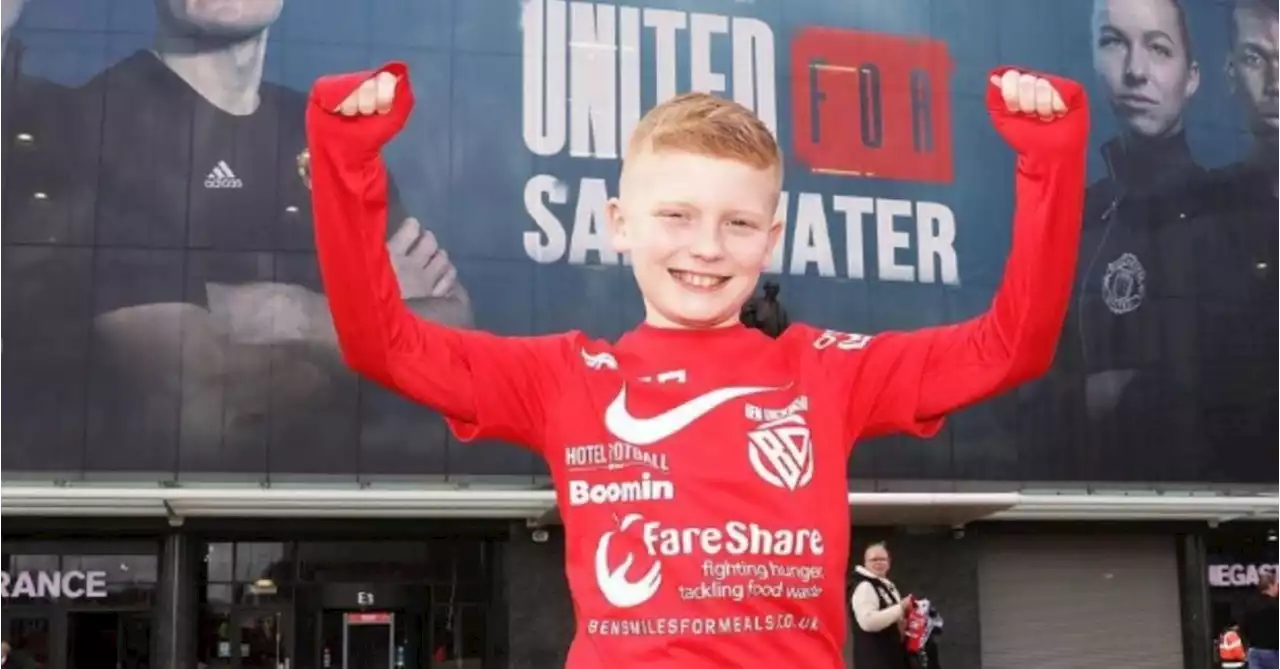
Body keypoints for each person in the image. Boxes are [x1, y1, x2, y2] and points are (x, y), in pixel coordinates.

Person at [306, 61, 1086, 667]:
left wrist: (1047, 162)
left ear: (773, 235)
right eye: (675, 215)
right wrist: (348, 164)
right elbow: (385, 343)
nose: (707, 247)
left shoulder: (828, 371)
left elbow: (1010, 346)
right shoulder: (564, 379)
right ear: (619, 223)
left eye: (739, 222)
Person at [50, 0, 470, 469]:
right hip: (171, 523)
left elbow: (456, 352)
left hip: (351, 520)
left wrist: (294, 313)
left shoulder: (327, 138)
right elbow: (204, 406)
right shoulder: (98, 123)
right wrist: (378, 326)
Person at [1021, 0, 1206, 479]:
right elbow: (1022, 389)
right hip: (1063, 504)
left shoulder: (1228, 212)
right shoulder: (1072, 216)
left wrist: (1123, 394)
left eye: (1159, 49)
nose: (1135, 71)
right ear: (1090, 61)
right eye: (1113, 43)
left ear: (1192, 78)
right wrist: (1086, 396)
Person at [850, 542, 913, 669]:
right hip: (875, 661)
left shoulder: (886, 585)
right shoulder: (865, 586)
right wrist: (901, 607)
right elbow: (868, 622)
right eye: (873, 559)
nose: (878, 563)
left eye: (882, 559)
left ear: (889, 562)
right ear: (865, 563)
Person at [1241, 573, 1280, 669]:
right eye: (1276, 585)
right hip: (1273, 651)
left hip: (1254, 651)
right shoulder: (1276, 606)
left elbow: (1244, 627)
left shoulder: (1250, 604)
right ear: (1270, 585)